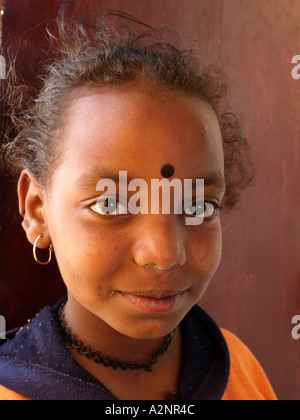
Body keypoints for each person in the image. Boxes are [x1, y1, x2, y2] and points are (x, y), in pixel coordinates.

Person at [0, 8, 277, 400]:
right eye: (110, 204)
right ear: (36, 209)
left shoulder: (238, 368)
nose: (164, 253)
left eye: (197, 207)